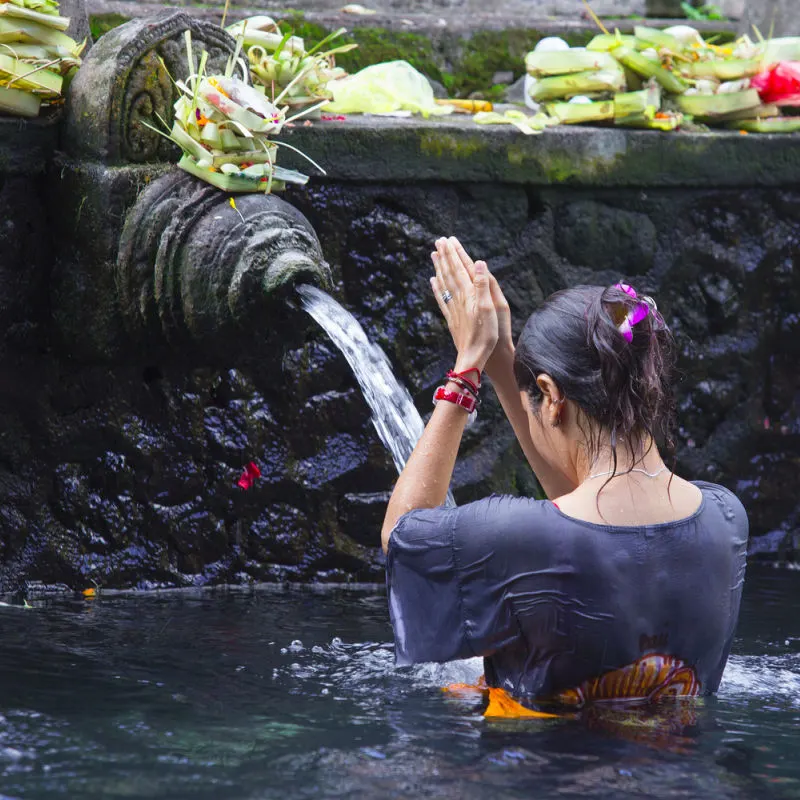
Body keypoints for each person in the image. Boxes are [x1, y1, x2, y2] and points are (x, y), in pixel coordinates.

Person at [381, 237, 748, 711]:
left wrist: (468, 368)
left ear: (551, 396)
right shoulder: (726, 519)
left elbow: (402, 536)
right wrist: (504, 365)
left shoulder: (517, 535)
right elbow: (590, 519)